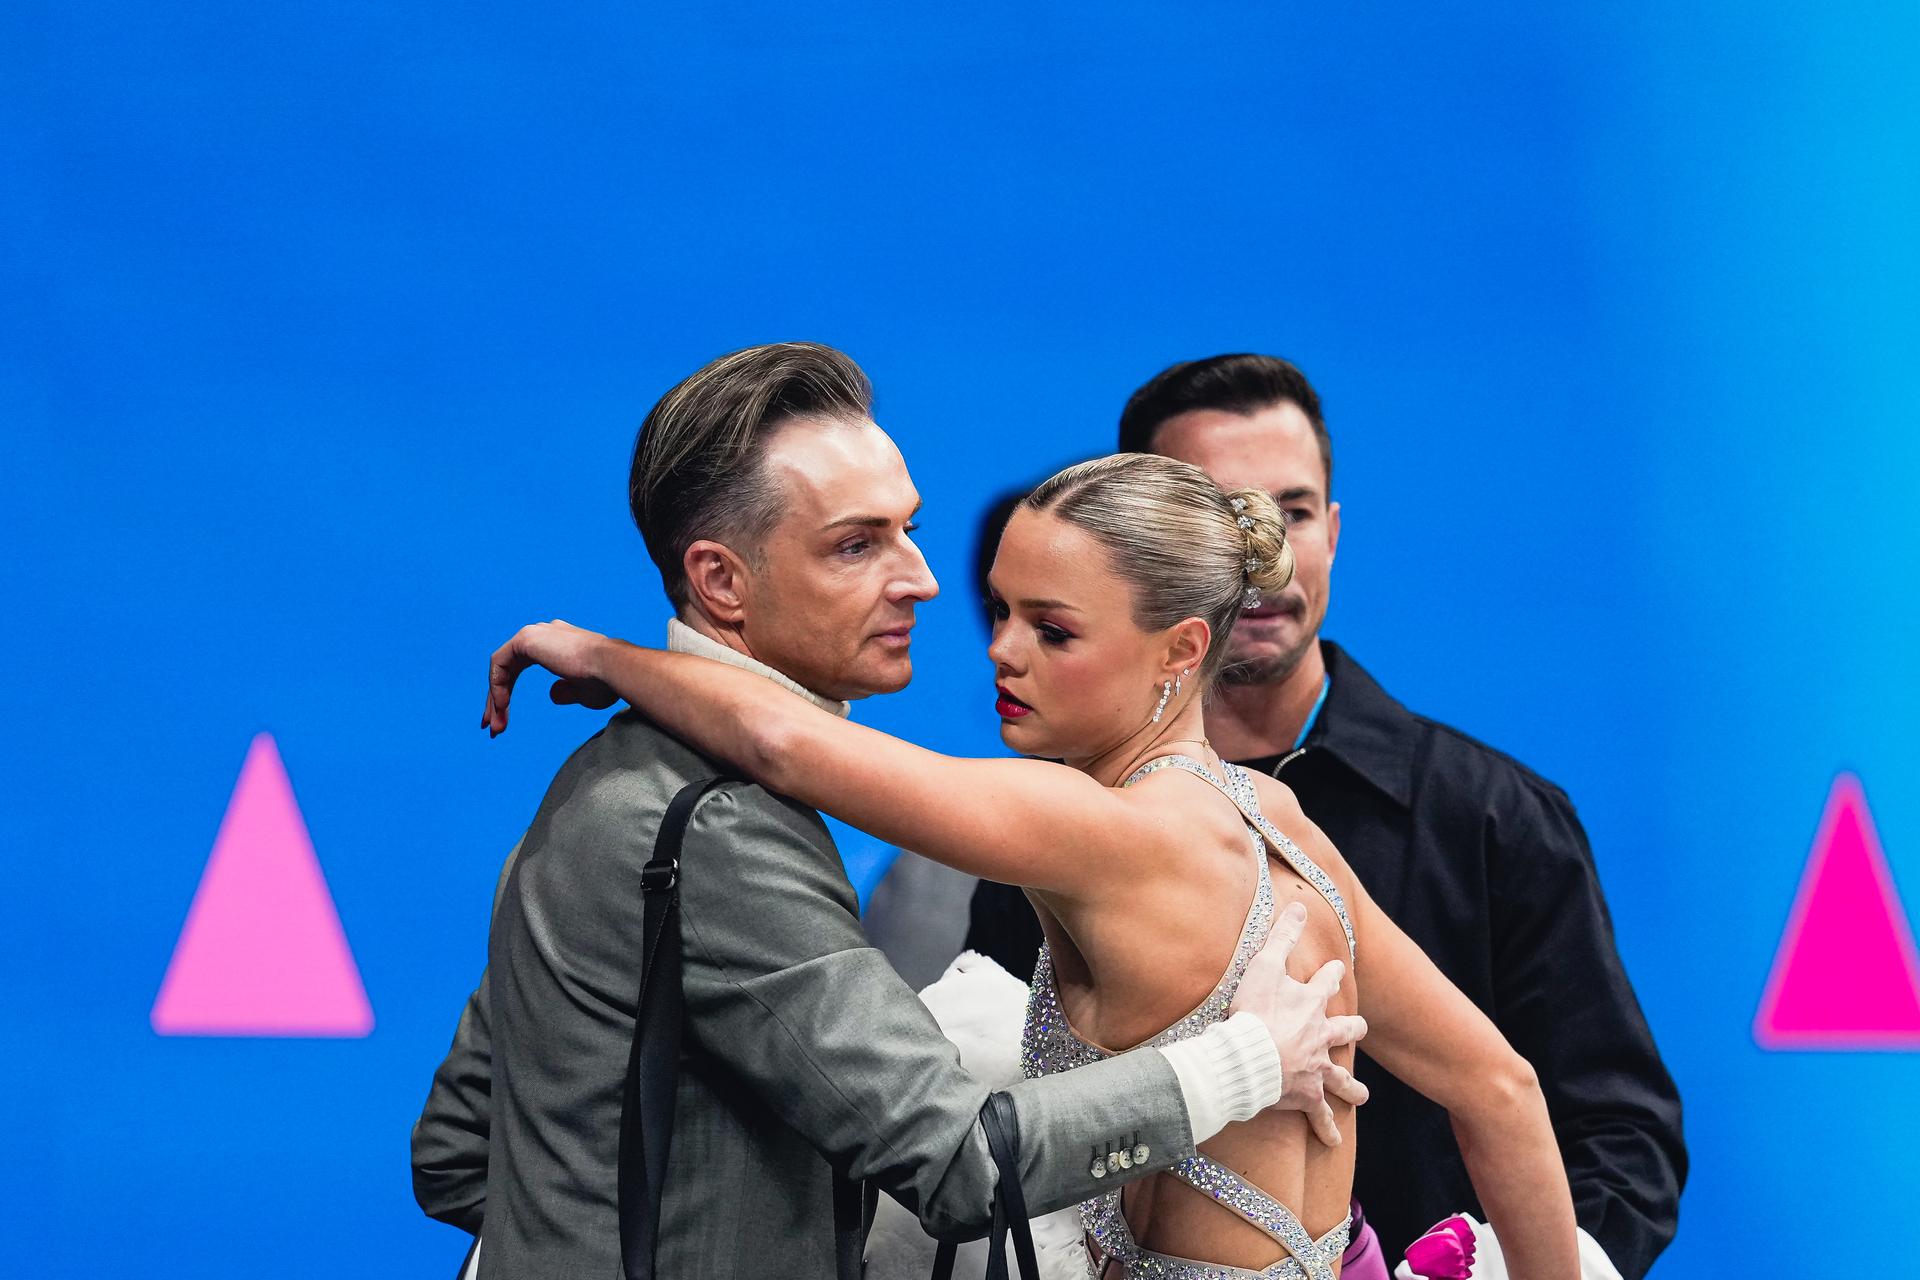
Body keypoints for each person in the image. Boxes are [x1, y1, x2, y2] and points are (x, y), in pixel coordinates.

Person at [485, 451, 1581, 1279]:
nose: (1002, 650)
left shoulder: (1102, 829)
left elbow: (787, 743)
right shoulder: (1276, 819)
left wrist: (603, 653)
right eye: (1000, 610)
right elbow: (1501, 1086)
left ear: (1182, 650)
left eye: (1053, 629)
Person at [410, 343, 1370, 1280]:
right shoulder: (726, 828)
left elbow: (457, 1150)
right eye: (857, 545)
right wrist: (1240, 1065)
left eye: (908, 529)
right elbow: (963, 1168)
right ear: (720, 582)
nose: (920, 579)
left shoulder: (598, 776)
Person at [970, 355, 1686, 1278]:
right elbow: (1018, 1127)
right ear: (1143, 552)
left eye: (1292, 511)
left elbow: (1613, 1133)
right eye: (1226, 515)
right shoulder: (1048, 837)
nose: (1263, 554)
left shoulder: (1492, 816)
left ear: (1334, 530)